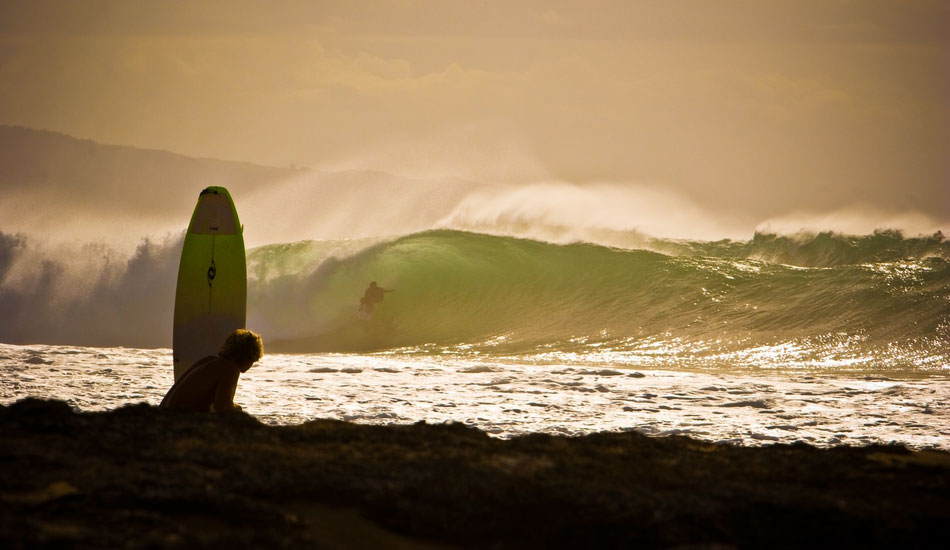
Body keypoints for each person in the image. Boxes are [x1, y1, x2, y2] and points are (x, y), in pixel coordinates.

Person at [160, 329, 263, 413]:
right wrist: (239, 410)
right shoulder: (230, 369)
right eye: (253, 360)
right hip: (177, 420)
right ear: (247, 356)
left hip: (162, 415)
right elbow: (222, 407)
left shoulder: (209, 360)